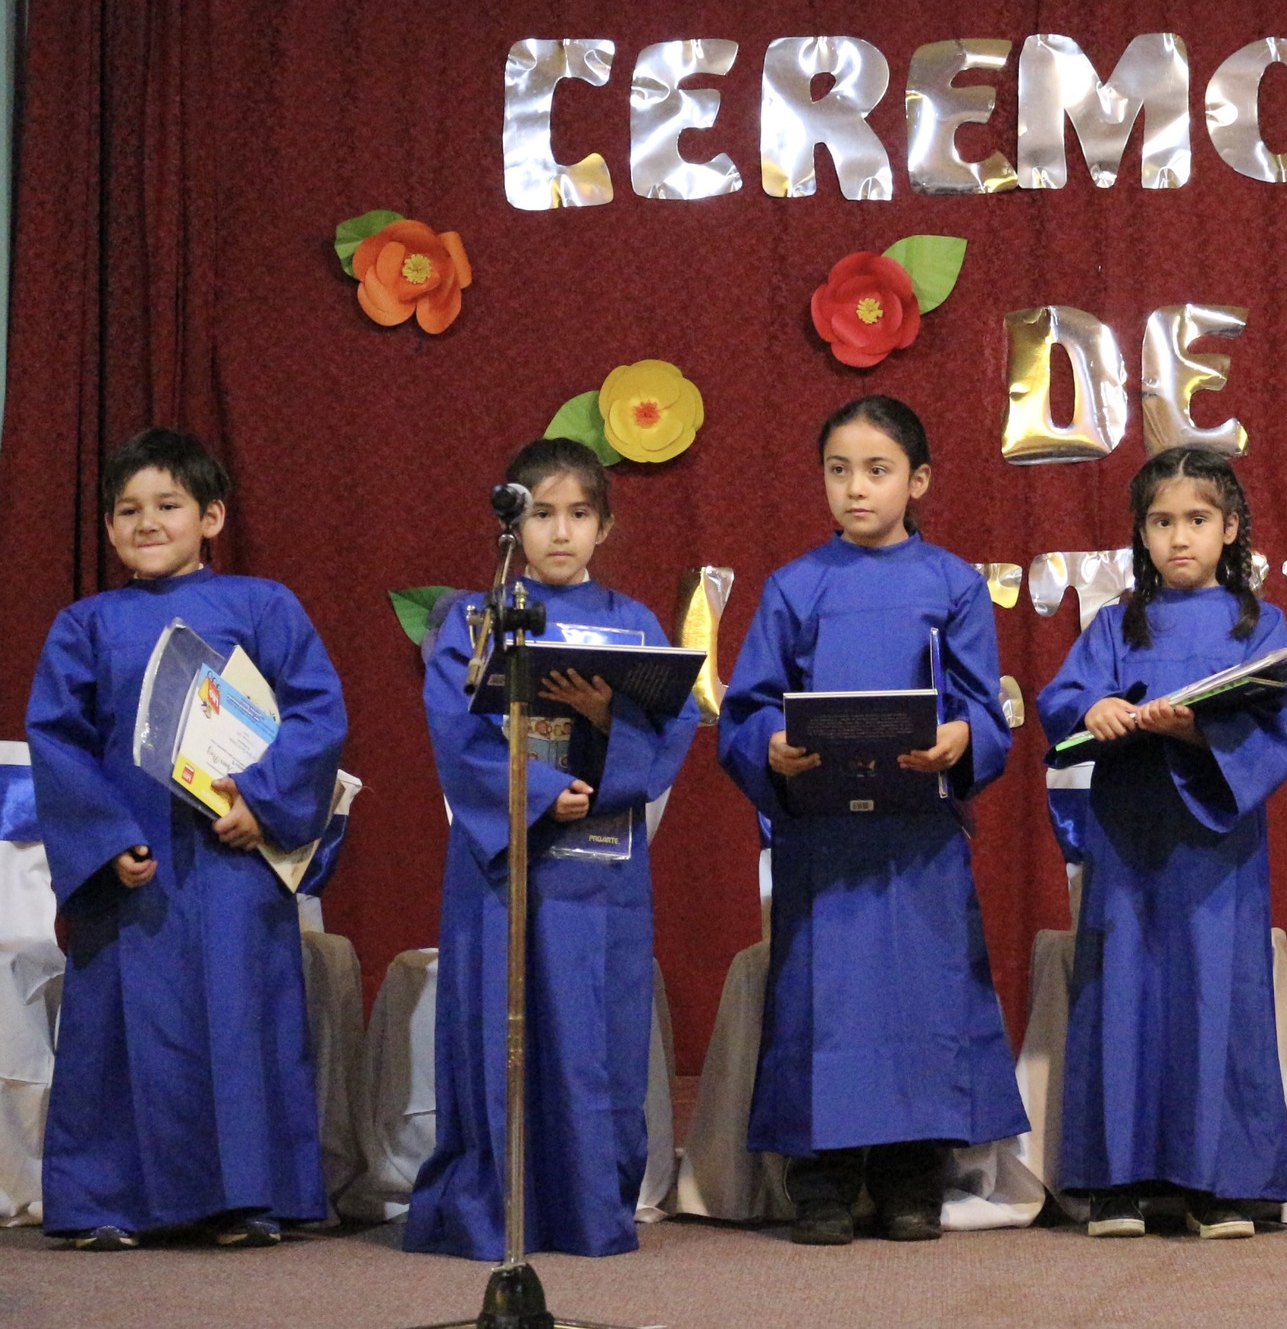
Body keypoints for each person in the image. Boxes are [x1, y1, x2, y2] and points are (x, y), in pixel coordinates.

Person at [27, 428, 347, 1250]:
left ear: (210, 516)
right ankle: (107, 1199)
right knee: (119, 1031)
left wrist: (266, 802)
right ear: (106, 528)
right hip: (133, 865)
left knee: (241, 1022)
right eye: (127, 509)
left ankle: (248, 1197)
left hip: (231, 856)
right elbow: (57, 739)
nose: (146, 522)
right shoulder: (85, 624)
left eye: (167, 505)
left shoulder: (262, 604)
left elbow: (314, 711)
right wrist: (105, 840)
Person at [719, 394, 1024, 1246]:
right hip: (823, 834)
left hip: (917, 836)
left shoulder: (952, 583)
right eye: (839, 469)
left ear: (917, 480)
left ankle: (909, 1174)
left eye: (878, 470)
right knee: (826, 1001)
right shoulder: (795, 585)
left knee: (919, 1000)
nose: (857, 488)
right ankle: (820, 1177)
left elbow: (980, 709)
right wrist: (770, 745)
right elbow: (745, 710)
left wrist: (963, 736)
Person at [405, 438, 697, 1260]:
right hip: (503, 866)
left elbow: (666, 725)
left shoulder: (633, 623)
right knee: (500, 1028)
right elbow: (455, 729)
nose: (559, 533)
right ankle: (491, 1203)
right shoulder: (475, 616)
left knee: (594, 1032)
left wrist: (598, 780)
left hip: (598, 871)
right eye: (540, 514)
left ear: (605, 525)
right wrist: (534, 791)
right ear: (513, 523)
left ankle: (586, 1204)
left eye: (578, 514)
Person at [1036, 445, 1287, 1240]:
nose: (1178, 537)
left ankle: (1221, 1183)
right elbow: (1066, 694)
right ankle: (1119, 1179)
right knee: (1124, 991)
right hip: (1129, 833)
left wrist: (1198, 730)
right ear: (1140, 534)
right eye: (1161, 521)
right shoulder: (1120, 623)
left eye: (1196, 519)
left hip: (1218, 845)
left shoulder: (1260, 622)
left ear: (1230, 529)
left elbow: (1273, 732)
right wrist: (1097, 711)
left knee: (1216, 995)